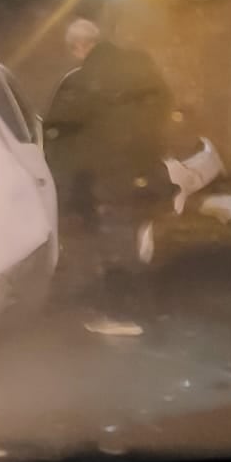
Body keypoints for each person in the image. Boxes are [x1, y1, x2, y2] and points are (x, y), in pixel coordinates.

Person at [44, 18, 175, 335]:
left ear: (80, 46)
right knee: (134, 241)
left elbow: (58, 132)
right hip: (147, 172)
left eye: (74, 49)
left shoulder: (82, 80)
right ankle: (143, 308)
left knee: (116, 245)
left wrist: (64, 171)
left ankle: (121, 316)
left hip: (112, 178)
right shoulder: (141, 65)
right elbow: (164, 107)